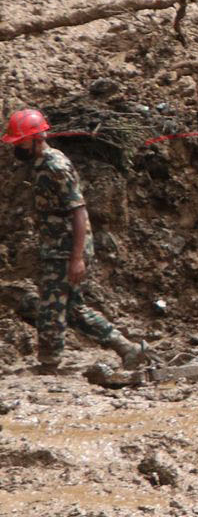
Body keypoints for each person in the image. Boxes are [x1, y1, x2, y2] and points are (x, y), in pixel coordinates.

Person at [5, 108, 145, 371]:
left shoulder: (55, 167)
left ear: (35, 139)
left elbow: (78, 211)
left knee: (51, 307)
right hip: (57, 248)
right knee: (72, 308)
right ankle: (126, 348)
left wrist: (76, 257)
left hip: (66, 249)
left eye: (20, 141)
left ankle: (48, 362)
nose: (18, 147)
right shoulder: (40, 165)